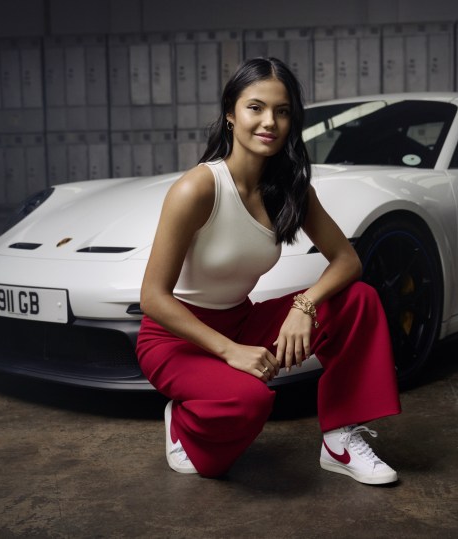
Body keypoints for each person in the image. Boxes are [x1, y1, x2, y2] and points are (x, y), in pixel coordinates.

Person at [136, 57, 401, 485]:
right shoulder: (198, 188)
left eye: (282, 111)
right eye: (255, 107)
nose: (269, 122)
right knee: (250, 403)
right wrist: (229, 351)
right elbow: (152, 297)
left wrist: (305, 305)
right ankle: (184, 420)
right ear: (230, 114)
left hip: (241, 321)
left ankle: (340, 439)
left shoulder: (291, 188)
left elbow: (347, 261)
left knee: (358, 300)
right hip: (176, 339)